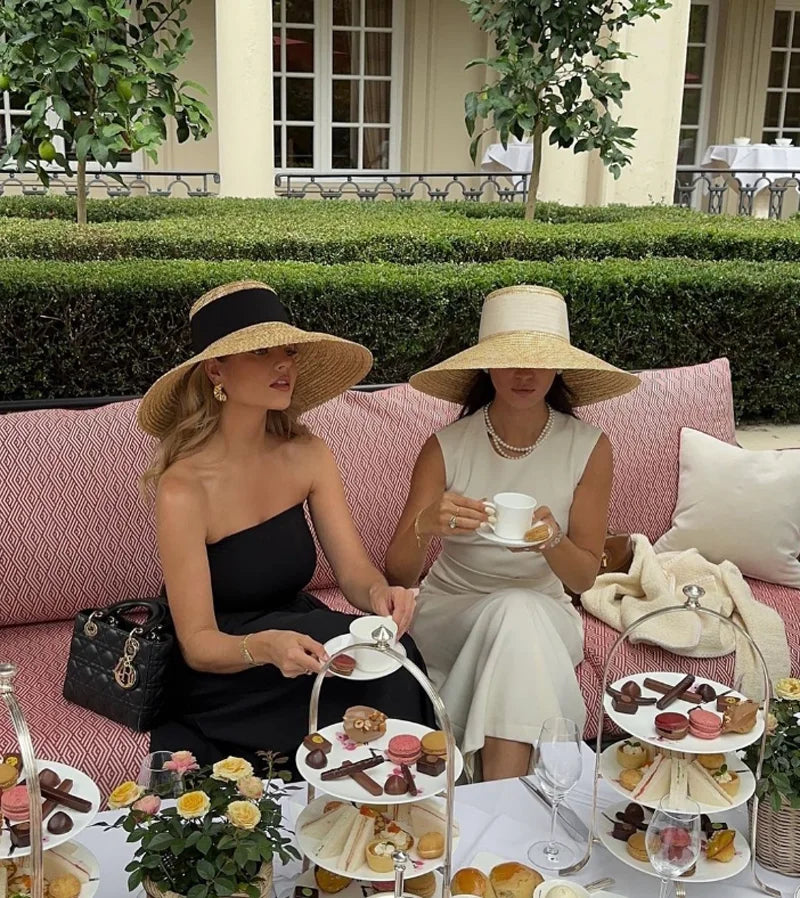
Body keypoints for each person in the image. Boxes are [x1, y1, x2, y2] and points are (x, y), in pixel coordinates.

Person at [137, 280, 434, 773]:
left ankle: (395, 818)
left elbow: (354, 571)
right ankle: (349, 821)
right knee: (365, 681)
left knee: (392, 654)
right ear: (216, 370)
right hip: (230, 664)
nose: (284, 365)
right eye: (261, 352)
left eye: (289, 351)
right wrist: (267, 648)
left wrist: (383, 594)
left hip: (298, 636)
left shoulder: (307, 454)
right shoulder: (184, 488)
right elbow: (198, 645)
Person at [385, 285, 640, 781]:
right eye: (509, 359)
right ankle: (518, 809)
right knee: (511, 615)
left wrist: (551, 540)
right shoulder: (445, 446)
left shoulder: (589, 447)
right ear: (486, 365)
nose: (524, 374)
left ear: (559, 366)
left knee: (518, 612)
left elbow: (585, 578)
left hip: (544, 612)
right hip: (451, 611)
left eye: (539, 360)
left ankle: (487, 796)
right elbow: (398, 572)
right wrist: (426, 524)